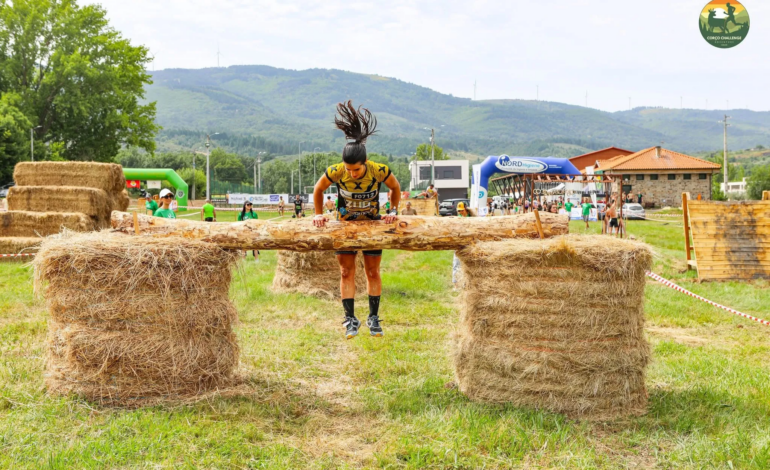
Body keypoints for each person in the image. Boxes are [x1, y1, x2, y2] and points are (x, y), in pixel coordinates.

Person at [312, 100, 401, 340]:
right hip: (345, 226)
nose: (352, 174)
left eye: (356, 170)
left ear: (365, 162)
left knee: (372, 271)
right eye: (348, 169)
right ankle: (350, 318)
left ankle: (373, 317)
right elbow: (318, 189)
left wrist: (393, 210)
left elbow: (395, 187)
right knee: (345, 271)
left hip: (372, 225)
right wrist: (318, 214)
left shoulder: (378, 170)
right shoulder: (336, 171)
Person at [452, 202, 471, 289]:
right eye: (459, 211)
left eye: (462, 210)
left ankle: (467, 284)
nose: (460, 212)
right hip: (459, 244)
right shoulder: (458, 219)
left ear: (465, 209)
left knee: (468, 264)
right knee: (456, 264)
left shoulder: (471, 217)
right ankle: (456, 285)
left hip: (469, 245)